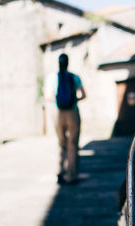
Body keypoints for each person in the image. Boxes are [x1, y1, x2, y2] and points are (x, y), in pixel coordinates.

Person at [44, 53, 86, 185]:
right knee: (73, 144)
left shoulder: (53, 78)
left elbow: (48, 97)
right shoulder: (74, 77)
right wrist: (73, 100)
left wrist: (59, 101)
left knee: (61, 143)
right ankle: (71, 176)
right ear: (68, 63)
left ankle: (60, 172)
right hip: (73, 112)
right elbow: (84, 95)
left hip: (59, 113)